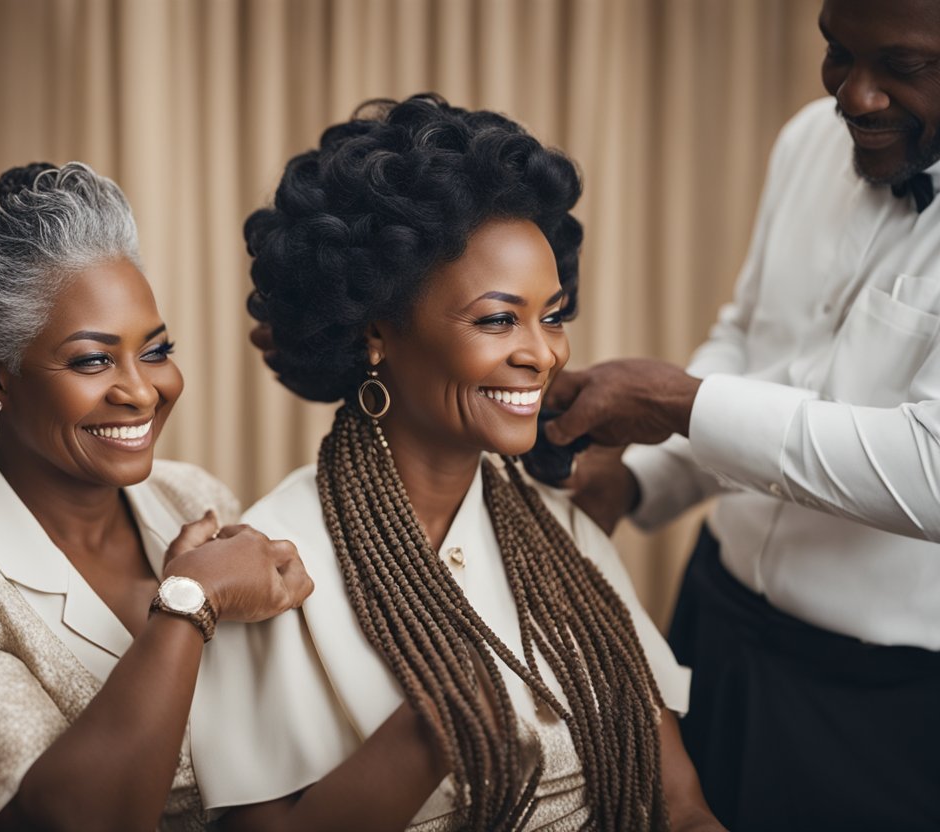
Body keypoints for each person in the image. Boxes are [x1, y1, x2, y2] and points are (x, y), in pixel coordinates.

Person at [0, 162, 442, 832]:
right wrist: (190, 604)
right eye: (92, 360)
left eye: (155, 350)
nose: (141, 390)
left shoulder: (191, 497)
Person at [191, 95, 723, 832]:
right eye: (499, 319)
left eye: (555, 314)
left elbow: (681, 805)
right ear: (378, 332)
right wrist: (430, 733)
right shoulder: (276, 564)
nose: (543, 352)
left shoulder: (564, 535)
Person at [541, 1, 940, 830]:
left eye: (903, 68)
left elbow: (929, 470)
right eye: (837, 52)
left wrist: (676, 402)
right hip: (713, 618)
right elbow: (750, 345)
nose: (855, 98)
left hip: (881, 702)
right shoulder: (807, 142)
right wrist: (639, 480)